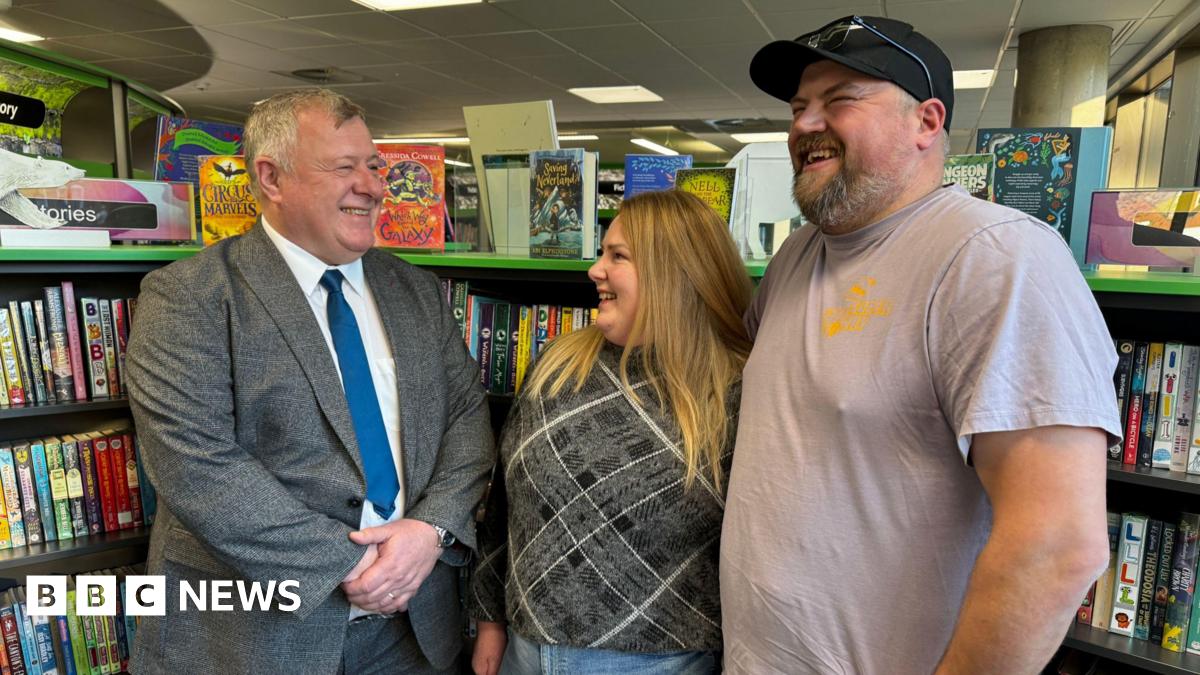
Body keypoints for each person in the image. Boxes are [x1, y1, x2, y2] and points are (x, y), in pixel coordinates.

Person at [720, 16, 1121, 675]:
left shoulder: (996, 257)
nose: (803, 124)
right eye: (798, 107)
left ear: (926, 123)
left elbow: (1057, 545)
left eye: (839, 100)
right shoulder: (797, 256)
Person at [125, 89, 494, 674]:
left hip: (414, 630)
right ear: (271, 178)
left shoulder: (417, 291)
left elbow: (467, 418)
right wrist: (347, 567)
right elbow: (193, 464)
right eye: (344, 167)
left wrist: (431, 530)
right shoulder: (188, 297)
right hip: (254, 639)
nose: (372, 186)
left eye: (374, 166)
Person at [469, 190, 753, 675]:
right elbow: (504, 508)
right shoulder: (557, 364)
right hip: (524, 649)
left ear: (673, 273)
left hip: (661, 661)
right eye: (602, 253)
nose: (595, 270)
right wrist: (489, 620)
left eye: (617, 256)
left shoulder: (735, 389)